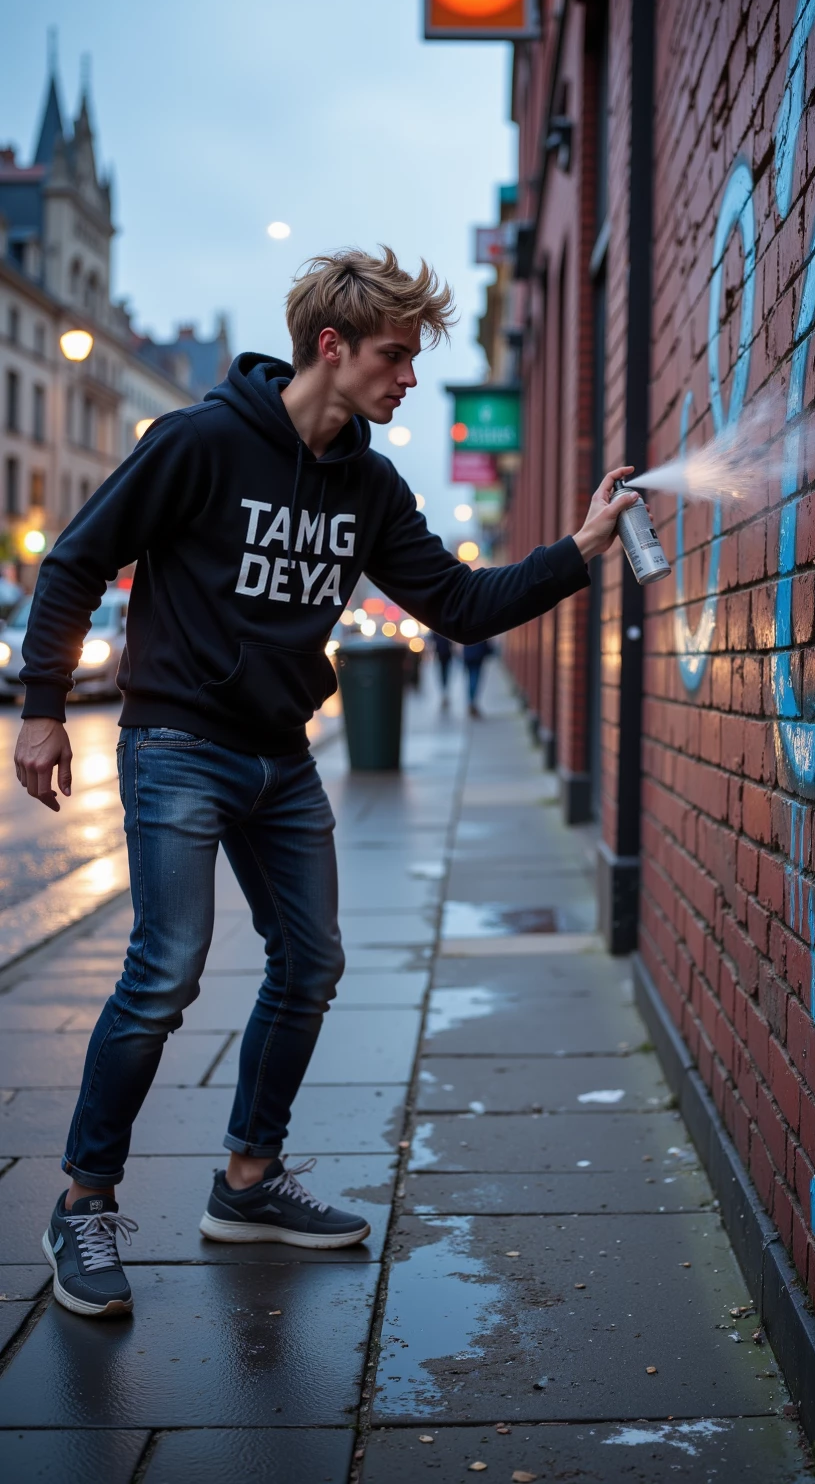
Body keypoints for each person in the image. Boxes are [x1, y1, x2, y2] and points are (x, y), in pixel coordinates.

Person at [13, 246, 641, 1319]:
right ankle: (83, 1202)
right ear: (330, 346)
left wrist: (577, 552)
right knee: (167, 968)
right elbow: (75, 558)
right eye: (395, 357)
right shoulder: (201, 442)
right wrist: (38, 709)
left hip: (282, 755)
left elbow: (456, 601)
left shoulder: (371, 485)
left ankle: (247, 1183)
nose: (407, 380)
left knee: (311, 961)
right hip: (175, 743)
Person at [462, 637, 493, 717]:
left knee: (470, 679)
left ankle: (471, 702)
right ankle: (472, 702)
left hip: (468, 655)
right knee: (475, 678)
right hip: (478, 655)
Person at [429, 630, 453, 706]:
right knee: (444, 673)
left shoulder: (436, 628)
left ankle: (444, 692)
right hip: (444, 653)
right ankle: (444, 692)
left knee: (443, 673)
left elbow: (432, 638)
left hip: (442, 653)